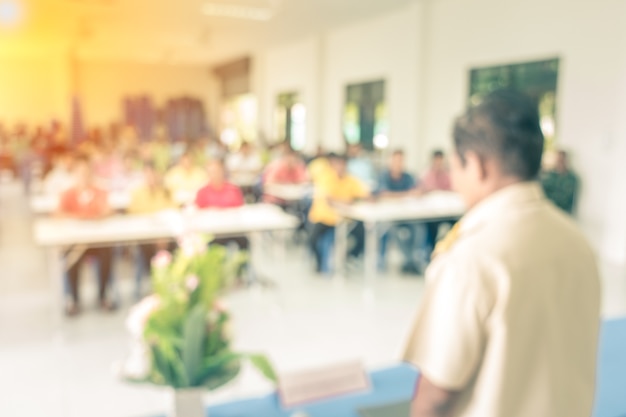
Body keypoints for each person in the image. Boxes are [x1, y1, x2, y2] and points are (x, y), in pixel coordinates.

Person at [404, 90, 600, 417]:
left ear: (478, 165)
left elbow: (438, 390)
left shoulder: (472, 257)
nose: (454, 180)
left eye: (456, 167)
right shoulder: (577, 242)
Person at [57, 155, 116, 316]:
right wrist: (82, 216)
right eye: (80, 172)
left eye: (86, 172)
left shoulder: (99, 191)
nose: (83, 175)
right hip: (75, 242)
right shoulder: (67, 194)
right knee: (70, 257)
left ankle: (103, 295)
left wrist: (100, 213)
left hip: (95, 241)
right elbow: (58, 214)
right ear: (74, 173)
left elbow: (108, 210)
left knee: (107, 252)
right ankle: (73, 300)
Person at [308, 153, 369, 274]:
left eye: (342, 164)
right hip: (325, 218)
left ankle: (350, 256)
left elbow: (363, 195)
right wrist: (347, 201)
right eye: (337, 164)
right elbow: (329, 199)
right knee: (312, 240)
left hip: (346, 218)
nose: (340, 167)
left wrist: (352, 200)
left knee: (364, 233)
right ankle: (320, 263)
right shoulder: (326, 178)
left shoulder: (351, 179)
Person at [128, 163, 177, 296]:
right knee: (146, 248)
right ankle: (155, 283)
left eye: (152, 175)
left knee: (174, 246)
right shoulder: (137, 193)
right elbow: (134, 215)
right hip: (145, 235)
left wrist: (163, 234)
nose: (150, 178)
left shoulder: (166, 192)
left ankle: (171, 282)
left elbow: (172, 212)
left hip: (165, 234)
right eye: (147, 175)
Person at [377, 150, 422, 274]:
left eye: (401, 161)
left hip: (407, 215)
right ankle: (410, 261)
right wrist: (406, 195)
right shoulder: (384, 176)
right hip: (390, 217)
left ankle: (411, 261)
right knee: (395, 231)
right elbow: (383, 194)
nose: (398, 164)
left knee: (419, 229)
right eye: (396, 160)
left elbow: (417, 192)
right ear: (390, 161)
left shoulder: (408, 177)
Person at [195, 159, 248, 249]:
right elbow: (198, 212)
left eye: (217, 171)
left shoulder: (233, 189)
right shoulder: (202, 191)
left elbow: (241, 210)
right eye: (211, 172)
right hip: (212, 231)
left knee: (244, 241)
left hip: (232, 229)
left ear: (223, 171)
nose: (215, 174)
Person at [420, 150, 453, 259]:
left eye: (441, 161)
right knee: (430, 226)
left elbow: (452, 189)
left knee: (455, 223)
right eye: (437, 161)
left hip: (447, 211)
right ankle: (429, 252)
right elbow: (425, 191)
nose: (439, 164)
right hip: (431, 212)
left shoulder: (447, 174)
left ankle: (451, 251)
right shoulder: (427, 174)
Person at [541, 150, 579, 214]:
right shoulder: (550, 175)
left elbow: (564, 199)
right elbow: (542, 190)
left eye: (561, 160)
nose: (559, 163)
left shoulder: (571, 178)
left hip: (563, 212)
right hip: (549, 211)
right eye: (558, 160)